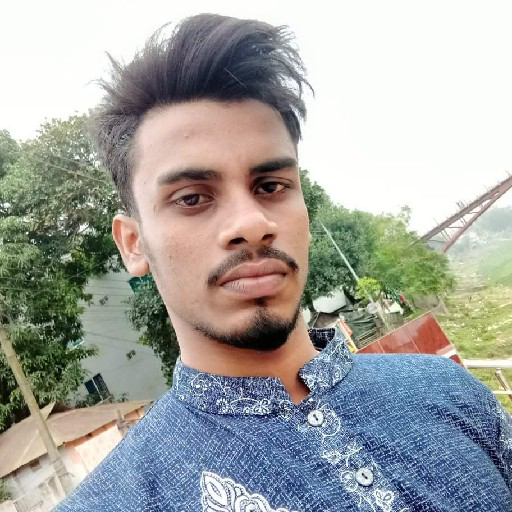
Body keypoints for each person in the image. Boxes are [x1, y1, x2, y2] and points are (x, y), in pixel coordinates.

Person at [56, 13, 512, 512]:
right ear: (133, 244)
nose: (251, 223)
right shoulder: (117, 501)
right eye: (192, 198)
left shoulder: (449, 393)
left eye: (271, 186)